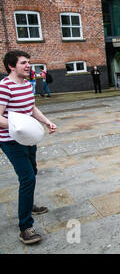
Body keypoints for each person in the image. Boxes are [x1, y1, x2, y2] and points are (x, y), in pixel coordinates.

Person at [0, 50, 57, 244]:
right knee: (27, 178)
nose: (28, 66)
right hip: (10, 140)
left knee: (32, 171)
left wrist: (46, 122)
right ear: (11, 66)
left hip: (28, 138)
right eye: (23, 63)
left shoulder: (25, 85)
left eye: (29, 62)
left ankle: (29, 204)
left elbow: (31, 108)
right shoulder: (5, 87)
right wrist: (19, 125)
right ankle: (25, 227)